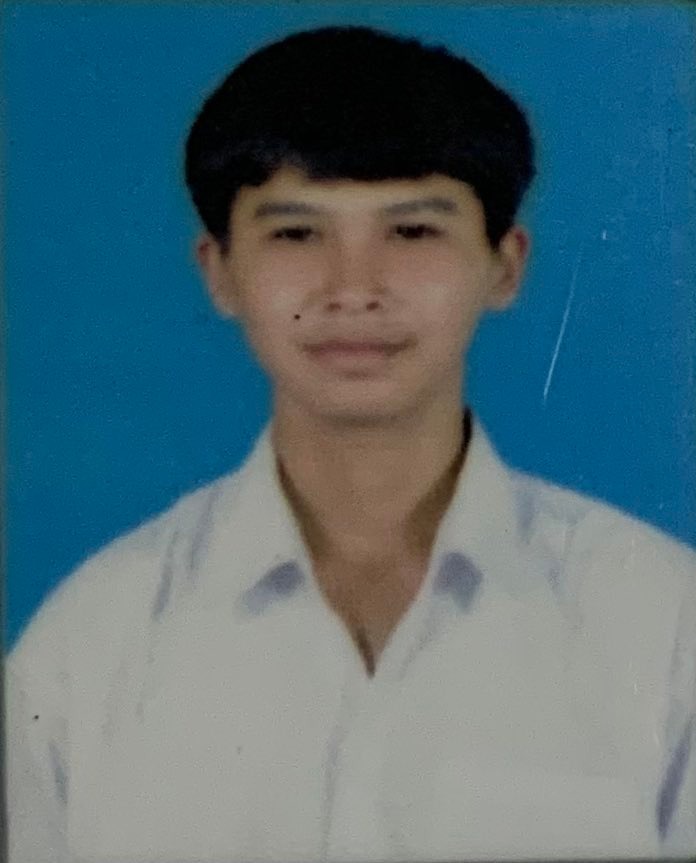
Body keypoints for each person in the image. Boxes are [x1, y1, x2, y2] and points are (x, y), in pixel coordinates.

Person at [6, 24, 696, 863]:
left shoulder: (661, 623)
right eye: (296, 233)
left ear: (505, 265)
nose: (353, 289)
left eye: (413, 232)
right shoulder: (89, 645)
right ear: (218, 270)